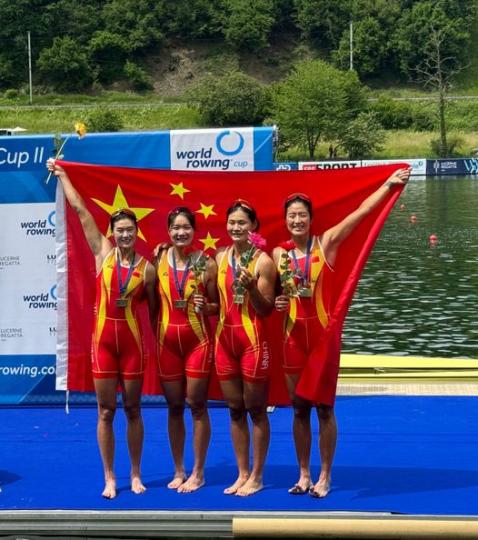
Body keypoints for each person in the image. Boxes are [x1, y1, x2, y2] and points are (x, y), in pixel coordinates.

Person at [273, 168, 411, 498]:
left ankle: (325, 475)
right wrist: (277, 301)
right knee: (298, 407)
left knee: (324, 408)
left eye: (302, 215)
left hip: (323, 341)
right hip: (292, 340)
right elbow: (273, 295)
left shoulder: (328, 242)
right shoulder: (278, 254)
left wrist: (388, 185)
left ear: (310, 218)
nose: (297, 221)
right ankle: (303, 473)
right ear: (286, 220)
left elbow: (361, 213)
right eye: (291, 216)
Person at [47, 158, 157, 499]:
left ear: (137, 233)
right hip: (104, 345)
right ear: (112, 233)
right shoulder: (103, 254)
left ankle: (136, 473)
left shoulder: (148, 269)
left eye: (130, 230)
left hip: (133, 347)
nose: (124, 235)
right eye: (119, 230)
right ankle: (110, 476)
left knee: (133, 409)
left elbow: (155, 312)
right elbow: (81, 211)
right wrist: (63, 174)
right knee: (106, 411)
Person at [215, 200, 276, 496]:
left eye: (242, 223)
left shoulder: (263, 262)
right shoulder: (219, 257)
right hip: (224, 344)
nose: (236, 228)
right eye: (232, 223)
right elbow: (217, 303)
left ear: (253, 227)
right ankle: (241, 473)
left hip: (253, 343)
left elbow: (266, 311)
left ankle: (258, 475)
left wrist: (252, 289)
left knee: (256, 410)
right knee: (234, 410)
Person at [155, 207, 218, 493]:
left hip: (198, 342)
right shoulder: (158, 259)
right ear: (168, 232)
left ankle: (198, 471)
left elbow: (219, 305)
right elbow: (153, 306)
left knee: (197, 405)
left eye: (186, 227)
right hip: (166, 343)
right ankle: (179, 468)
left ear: (195, 231)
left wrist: (208, 307)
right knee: (174, 407)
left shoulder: (207, 264)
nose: (181, 232)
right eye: (175, 228)